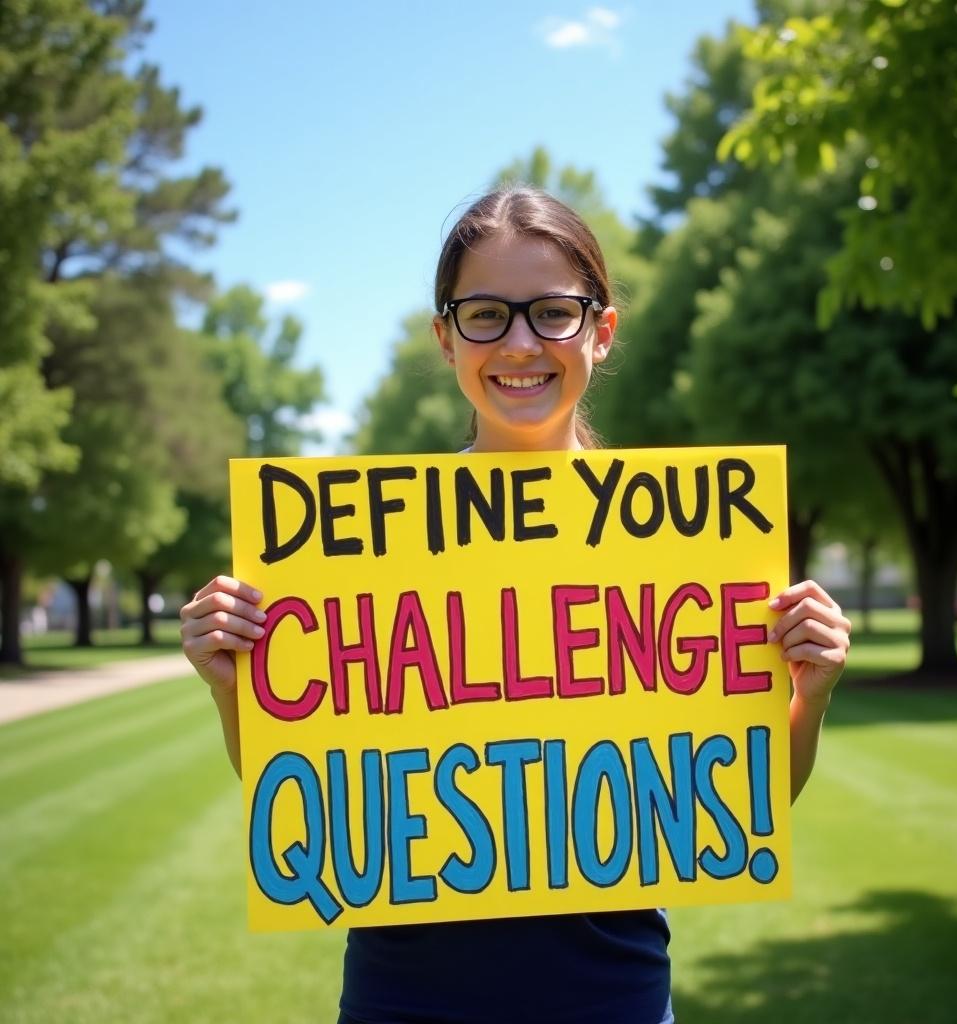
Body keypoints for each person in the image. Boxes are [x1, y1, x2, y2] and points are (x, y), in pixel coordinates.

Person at [180, 185, 852, 1024]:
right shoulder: (365, 546)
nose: (521, 343)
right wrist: (227, 685)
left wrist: (809, 695)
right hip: (404, 994)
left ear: (600, 331)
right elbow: (315, 789)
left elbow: (736, 806)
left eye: (553, 313)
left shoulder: (682, 540)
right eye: (486, 315)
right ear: (446, 336)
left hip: (612, 993)